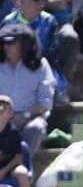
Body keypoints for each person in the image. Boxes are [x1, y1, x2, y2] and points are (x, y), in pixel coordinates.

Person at [4, 0, 77, 98]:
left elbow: (52, 54)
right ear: (21, 2)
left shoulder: (49, 20)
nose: (41, 3)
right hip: (15, 69)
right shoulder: (8, 21)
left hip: (41, 66)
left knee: (53, 88)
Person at [0, 23, 54, 154]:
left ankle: (22, 166)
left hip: (29, 119)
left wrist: (24, 116)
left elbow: (45, 102)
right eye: (3, 42)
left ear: (24, 44)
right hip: (1, 119)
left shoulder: (40, 66)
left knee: (37, 128)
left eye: (11, 42)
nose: (6, 46)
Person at [0, 95, 31, 187]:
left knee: (23, 173)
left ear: (10, 113)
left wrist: (4, 170)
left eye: (5, 108)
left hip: (9, 168)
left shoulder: (13, 131)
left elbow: (18, 157)